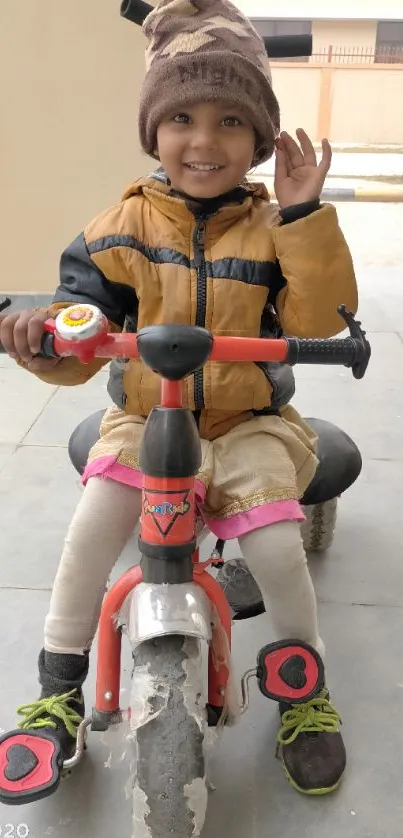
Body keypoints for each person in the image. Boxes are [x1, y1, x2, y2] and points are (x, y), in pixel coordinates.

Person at [0, 0, 358, 797]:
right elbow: (81, 318)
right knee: (93, 530)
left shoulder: (273, 226)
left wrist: (302, 218)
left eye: (232, 120)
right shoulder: (119, 225)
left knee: (272, 546)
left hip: (249, 419)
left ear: (259, 139)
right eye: (183, 118)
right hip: (142, 414)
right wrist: (51, 335)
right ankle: (57, 689)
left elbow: (319, 319)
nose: (205, 141)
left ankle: (304, 688)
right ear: (153, 131)